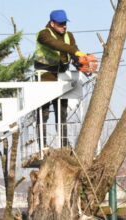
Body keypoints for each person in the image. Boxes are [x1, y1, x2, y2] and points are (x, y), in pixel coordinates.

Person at [34, 9, 86, 147]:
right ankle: (42, 146)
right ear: (52, 23)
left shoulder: (69, 35)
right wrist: (74, 51)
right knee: (43, 112)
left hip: (63, 75)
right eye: (61, 24)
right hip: (45, 75)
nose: (64, 26)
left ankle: (64, 144)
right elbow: (56, 45)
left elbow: (74, 51)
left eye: (65, 23)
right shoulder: (44, 34)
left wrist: (80, 61)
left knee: (62, 112)